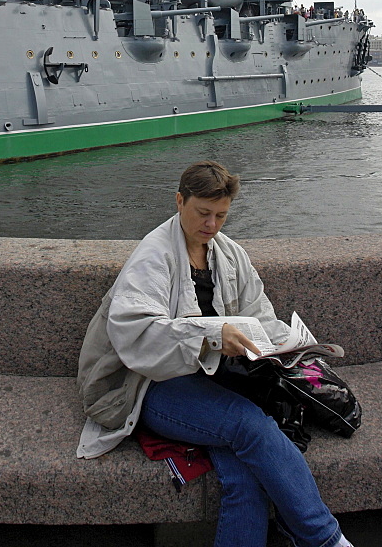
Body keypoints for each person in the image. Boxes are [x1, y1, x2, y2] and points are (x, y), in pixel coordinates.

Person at [77, 161, 355, 547]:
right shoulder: (153, 255)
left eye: (221, 215)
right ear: (179, 201)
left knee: (244, 475)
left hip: (212, 381)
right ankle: (324, 539)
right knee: (250, 426)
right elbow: (135, 332)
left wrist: (288, 344)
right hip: (150, 386)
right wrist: (208, 339)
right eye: (203, 213)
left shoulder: (229, 254)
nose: (212, 224)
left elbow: (258, 313)